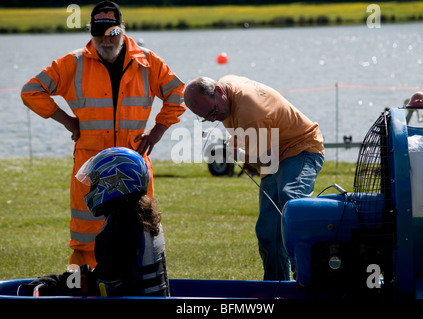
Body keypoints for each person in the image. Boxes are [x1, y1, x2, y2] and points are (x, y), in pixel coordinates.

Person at [21, 1, 185, 269]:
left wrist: (157, 131)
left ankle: (142, 288)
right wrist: (67, 121)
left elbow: (178, 94)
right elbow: (31, 91)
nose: (106, 40)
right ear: (90, 32)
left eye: (112, 33)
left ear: (122, 29)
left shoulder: (148, 62)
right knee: (88, 240)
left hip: (134, 167)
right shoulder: (71, 63)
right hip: (91, 169)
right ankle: (86, 289)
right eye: (98, 34)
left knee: (141, 234)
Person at [184, 75, 325, 281]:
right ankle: (275, 288)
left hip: (301, 148)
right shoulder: (225, 91)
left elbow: (267, 161)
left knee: (291, 198)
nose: (214, 120)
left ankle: (308, 273)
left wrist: (236, 155)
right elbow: (242, 132)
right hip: (274, 151)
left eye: (214, 113)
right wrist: (233, 143)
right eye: (207, 118)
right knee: (268, 231)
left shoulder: (249, 110)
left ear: (219, 92)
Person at [20, 147, 169, 297]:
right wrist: (63, 279)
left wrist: (59, 282)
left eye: (95, 182)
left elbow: (103, 284)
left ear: (113, 183)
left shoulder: (119, 228)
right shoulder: (143, 218)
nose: (92, 189)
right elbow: (109, 272)